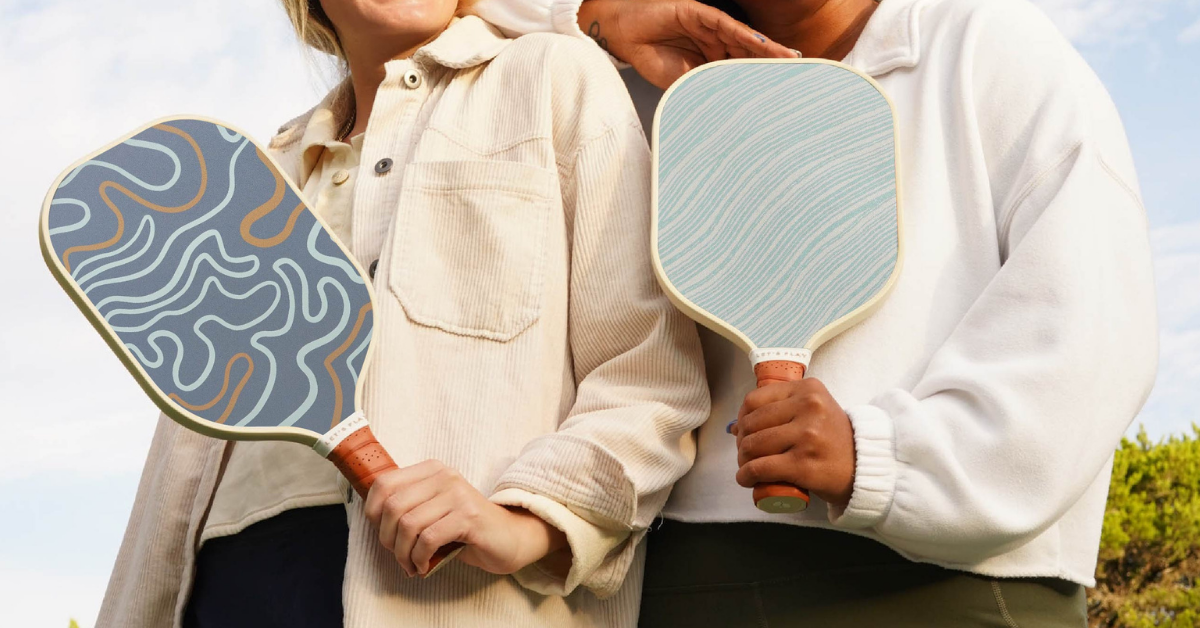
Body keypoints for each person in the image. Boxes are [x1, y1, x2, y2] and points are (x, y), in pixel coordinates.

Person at [481, 0, 1159, 625]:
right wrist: (592, 14)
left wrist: (878, 458)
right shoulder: (634, 73)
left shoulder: (990, 44)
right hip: (674, 580)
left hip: (950, 587)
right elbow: (427, 18)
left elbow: (1091, 332)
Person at [92, 0, 765, 626]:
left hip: (456, 594)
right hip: (226, 580)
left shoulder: (553, 74)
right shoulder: (266, 166)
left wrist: (529, 523)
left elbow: (648, 377)